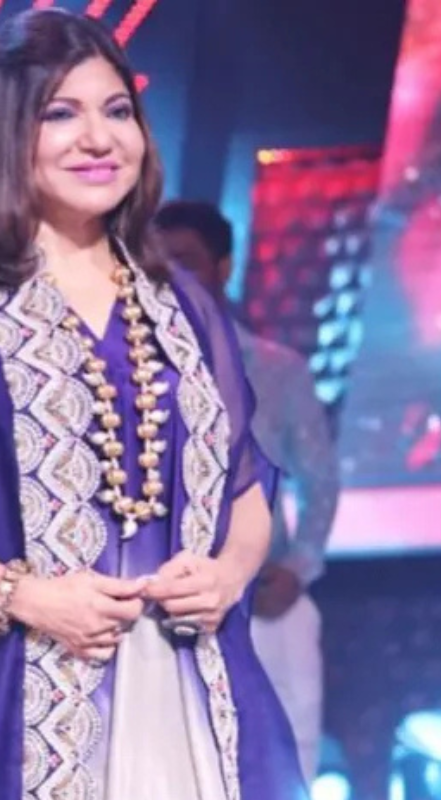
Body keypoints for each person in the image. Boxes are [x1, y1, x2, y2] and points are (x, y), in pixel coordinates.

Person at [0, 10, 308, 800]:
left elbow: (245, 486)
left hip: (183, 688)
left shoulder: (181, 302)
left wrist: (227, 576)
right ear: (6, 133)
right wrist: (25, 596)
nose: (99, 139)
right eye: (62, 113)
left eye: (117, 111)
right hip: (8, 692)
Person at [155, 200, 340, 784]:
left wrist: (298, 569)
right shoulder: (135, 368)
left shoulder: (276, 370)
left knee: (287, 755)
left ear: (223, 267)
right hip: (166, 600)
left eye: (185, 261)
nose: (170, 276)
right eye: (158, 263)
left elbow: (320, 477)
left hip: (264, 596)